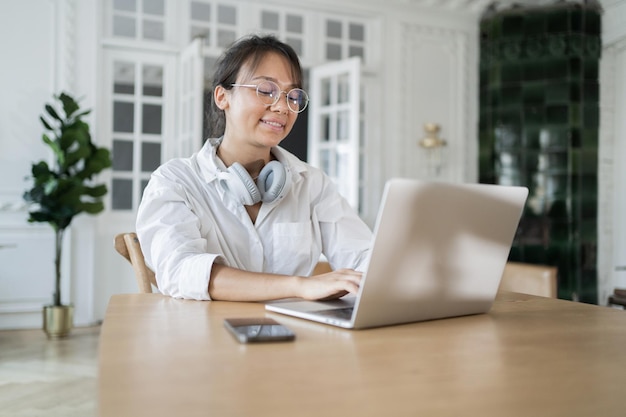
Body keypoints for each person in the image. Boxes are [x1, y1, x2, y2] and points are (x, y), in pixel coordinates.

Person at [136, 34, 372, 301]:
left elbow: (366, 257)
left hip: (295, 336)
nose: (283, 107)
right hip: (206, 337)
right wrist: (298, 286)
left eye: (292, 96)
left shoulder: (311, 183)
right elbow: (181, 270)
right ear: (222, 97)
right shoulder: (175, 182)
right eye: (266, 90)